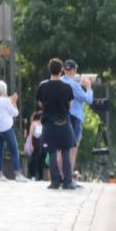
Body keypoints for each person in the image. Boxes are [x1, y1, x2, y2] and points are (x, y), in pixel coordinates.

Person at [36, 58, 78, 190]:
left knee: (52, 152)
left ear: (50, 70)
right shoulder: (67, 87)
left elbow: (40, 104)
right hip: (64, 123)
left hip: (49, 123)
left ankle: (55, 181)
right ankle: (67, 181)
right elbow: (70, 105)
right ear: (61, 71)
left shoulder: (43, 86)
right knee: (66, 152)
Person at [0, 80, 29, 182]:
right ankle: (17, 174)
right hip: (7, 128)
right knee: (14, 151)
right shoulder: (6, 101)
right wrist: (14, 102)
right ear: (4, 89)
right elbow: (15, 113)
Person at [61, 59, 94, 179]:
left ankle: (60, 175)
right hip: (74, 118)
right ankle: (68, 177)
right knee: (72, 148)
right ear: (74, 70)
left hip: (61, 117)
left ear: (64, 69)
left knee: (61, 148)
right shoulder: (74, 85)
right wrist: (89, 87)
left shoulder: (60, 82)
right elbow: (88, 99)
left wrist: (80, 85)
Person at [27, 111, 47, 180]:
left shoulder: (44, 125)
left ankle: (41, 177)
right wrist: (31, 144)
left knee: (41, 161)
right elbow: (30, 135)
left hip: (42, 145)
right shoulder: (34, 124)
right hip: (35, 145)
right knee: (34, 160)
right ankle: (33, 175)